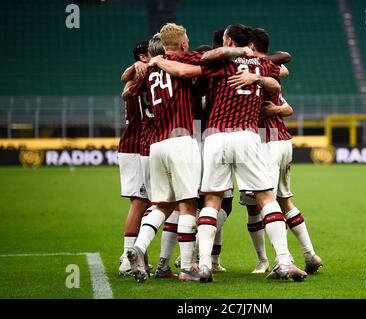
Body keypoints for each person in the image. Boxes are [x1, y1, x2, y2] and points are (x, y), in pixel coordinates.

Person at [149, 23, 307, 283]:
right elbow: (278, 83)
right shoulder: (263, 64)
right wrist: (257, 74)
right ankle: (284, 261)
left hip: (216, 136)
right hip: (248, 136)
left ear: (228, 41)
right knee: (267, 198)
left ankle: (204, 266)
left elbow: (187, 68)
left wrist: (158, 61)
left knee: (212, 199)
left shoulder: (219, 64)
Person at [123, 23, 253, 283]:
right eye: (188, 40)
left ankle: (136, 249)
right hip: (181, 139)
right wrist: (244, 51)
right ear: (183, 44)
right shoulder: (188, 58)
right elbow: (208, 59)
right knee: (188, 205)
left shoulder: (150, 69)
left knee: (162, 204)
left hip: (156, 145)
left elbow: (127, 91)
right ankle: (187, 268)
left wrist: (144, 65)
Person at [241, 28, 323, 275]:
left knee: (258, 204)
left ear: (252, 48)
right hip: (283, 141)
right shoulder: (270, 70)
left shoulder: (251, 72)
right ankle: (310, 254)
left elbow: (285, 105)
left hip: (263, 143)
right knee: (284, 200)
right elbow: (287, 102)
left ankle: (277, 260)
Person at [117, 40, 153, 276]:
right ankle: (128, 258)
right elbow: (126, 87)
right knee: (140, 203)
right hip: (137, 146)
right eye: (153, 52)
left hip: (136, 145)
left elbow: (124, 84)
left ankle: (136, 255)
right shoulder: (143, 78)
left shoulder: (138, 77)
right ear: (142, 57)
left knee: (145, 204)